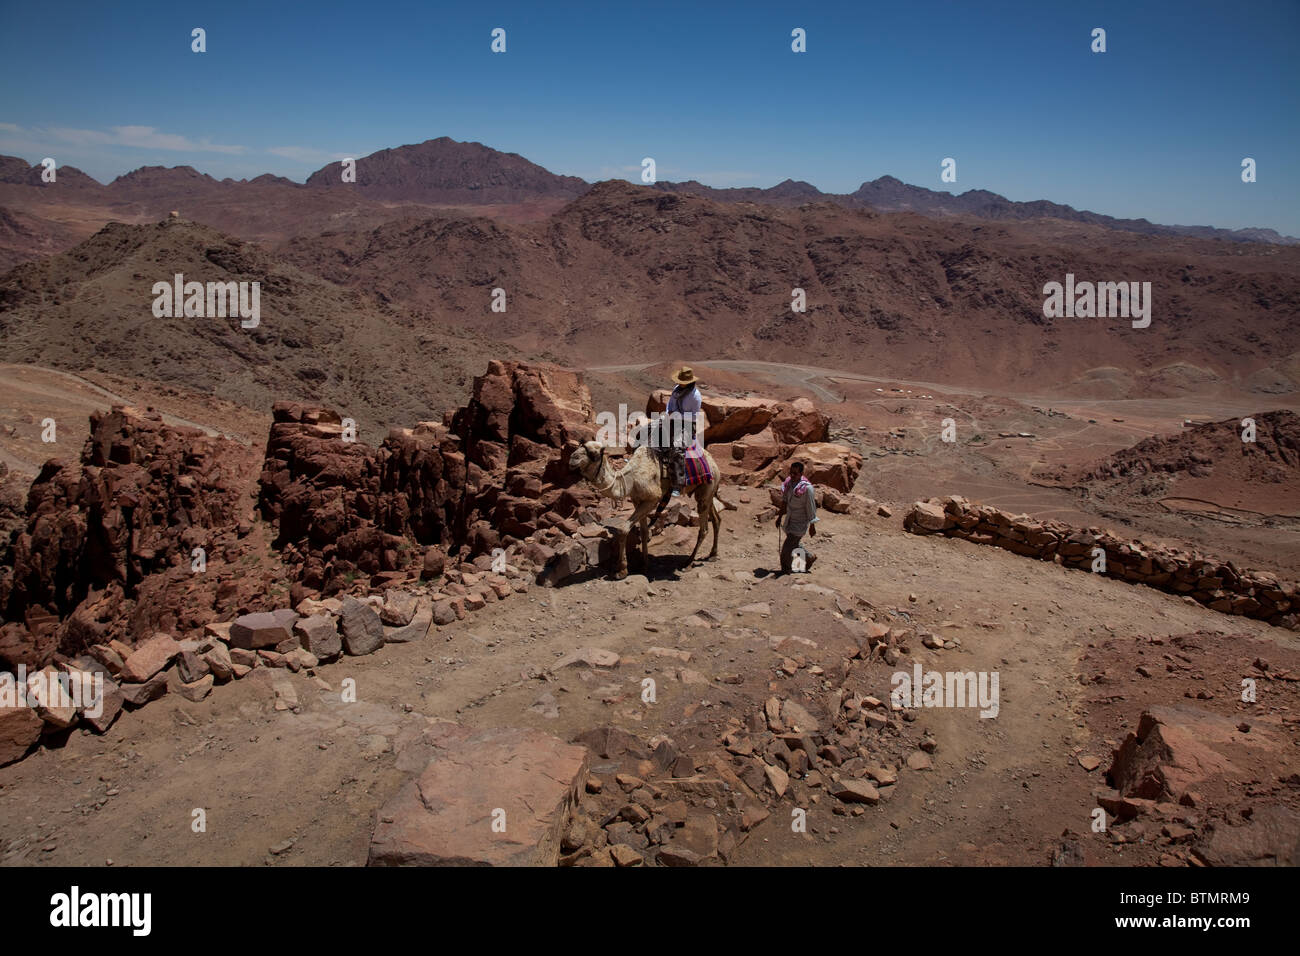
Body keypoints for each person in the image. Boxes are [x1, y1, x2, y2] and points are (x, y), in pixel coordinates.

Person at [660, 365, 703, 492]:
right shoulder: (676, 390)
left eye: (682, 382)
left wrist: (678, 416)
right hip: (672, 420)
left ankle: (678, 484)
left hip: (687, 425)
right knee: (650, 433)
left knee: (677, 448)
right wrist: (668, 412)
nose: (679, 383)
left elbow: (695, 417)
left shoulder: (695, 396)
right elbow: (670, 404)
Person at [775, 460, 817, 573]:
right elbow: (784, 501)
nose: (792, 476)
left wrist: (812, 526)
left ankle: (785, 569)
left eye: (795, 474)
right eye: (791, 473)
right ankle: (808, 558)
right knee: (794, 544)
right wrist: (779, 517)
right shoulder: (788, 483)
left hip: (800, 522)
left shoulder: (807, 489)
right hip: (790, 519)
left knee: (786, 549)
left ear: (801, 474)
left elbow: (811, 507)